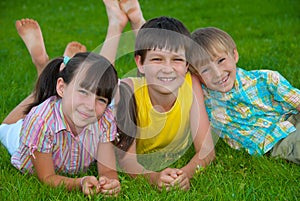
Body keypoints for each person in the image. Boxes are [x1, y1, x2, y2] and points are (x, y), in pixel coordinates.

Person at [100, 0, 215, 191]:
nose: (168, 69)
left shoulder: (191, 83)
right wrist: (154, 178)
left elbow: (206, 150)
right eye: (158, 59)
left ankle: (137, 20)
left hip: (150, 73)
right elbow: (127, 160)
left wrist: (185, 173)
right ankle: (116, 23)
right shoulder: (127, 93)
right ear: (139, 63)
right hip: (122, 89)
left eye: (178, 60)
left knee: (157, 54)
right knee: (98, 83)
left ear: (187, 66)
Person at [0, 19, 121, 196]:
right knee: (4, 127)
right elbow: (48, 177)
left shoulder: (105, 118)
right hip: (26, 135)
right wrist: (79, 183)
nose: (90, 106)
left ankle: (63, 68)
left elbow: (108, 171)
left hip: (61, 102)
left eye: (101, 99)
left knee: (57, 99)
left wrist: (111, 183)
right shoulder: (40, 122)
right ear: (62, 88)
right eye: (83, 92)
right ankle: (43, 68)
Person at [190, 27, 300, 164]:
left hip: (293, 118)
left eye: (221, 60)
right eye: (205, 69)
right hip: (275, 140)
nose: (217, 73)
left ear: (234, 55)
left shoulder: (266, 78)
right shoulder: (206, 102)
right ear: (197, 76)